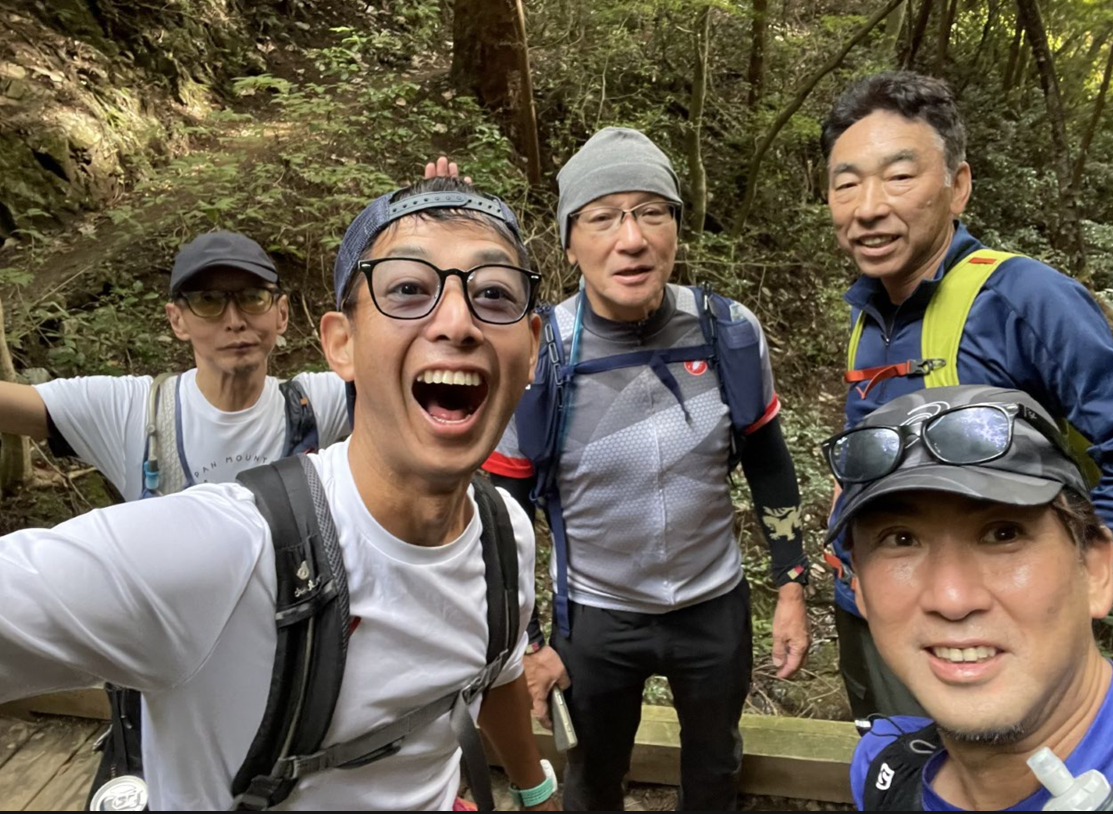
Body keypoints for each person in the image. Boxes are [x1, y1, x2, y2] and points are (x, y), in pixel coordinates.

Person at [0, 178, 558, 810]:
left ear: (532, 349)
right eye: (408, 289)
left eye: (492, 293)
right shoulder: (210, 547)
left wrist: (536, 788)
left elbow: (499, 669)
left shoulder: (502, 534)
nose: (457, 321)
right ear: (341, 344)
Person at [483, 127, 810, 811]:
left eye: (651, 212)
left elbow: (768, 462)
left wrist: (790, 587)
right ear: (569, 242)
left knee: (715, 770)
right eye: (602, 217)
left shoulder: (728, 330)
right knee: (593, 778)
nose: (630, 239)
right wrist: (528, 644)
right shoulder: (538, 353)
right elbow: (503, 515)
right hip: (595, 616)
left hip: (713, 604)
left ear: (676, 229)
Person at [821, 71, 1113, 719]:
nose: (868, 206)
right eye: (846, 184)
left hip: (987, 623)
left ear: (957, 187)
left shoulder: (1024, 298)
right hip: (874, 611)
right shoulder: (868, 314)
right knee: (898, 756)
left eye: (899, 176)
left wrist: (1089, 567)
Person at [824, 385, 1113, 811]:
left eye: (1003, 533)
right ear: (860, 589)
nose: (952, 599)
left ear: (1096, 571)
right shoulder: (884, 768)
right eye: (900, 539)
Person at [0, 231, 349, 501]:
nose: (234, 320)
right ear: (177, 320)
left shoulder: (315, 404)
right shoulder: (131, 411)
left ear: (281, 313)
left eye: (253, 298)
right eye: (208, 301)